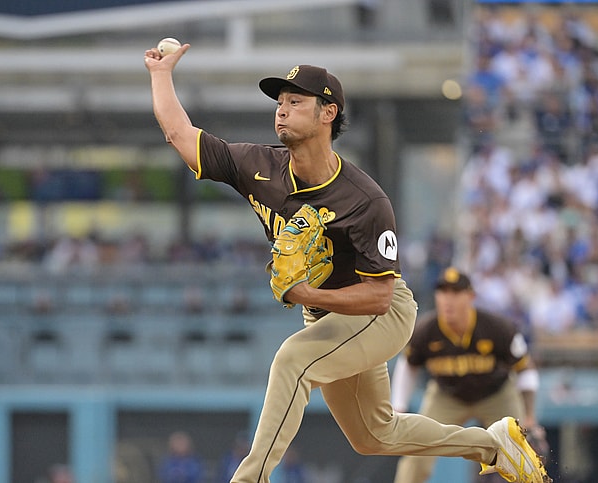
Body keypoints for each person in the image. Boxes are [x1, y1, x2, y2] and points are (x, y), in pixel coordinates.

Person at [144, 42, 549, 483]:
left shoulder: (364, 199)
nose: (281, 110)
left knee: (292, 361)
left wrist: (306, 293)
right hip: (327, 317)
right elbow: (181, 135)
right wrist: (160, 73)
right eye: (279, 103)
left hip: (382, 310)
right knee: (375, 435)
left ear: (327, 113)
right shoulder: (257, 165)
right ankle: (493, 446)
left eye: (295, 101)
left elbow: (377, 296)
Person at [390, 267, 547, 482]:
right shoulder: (427, 330)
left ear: (471, 296)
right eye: (443, 292)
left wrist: (529, 415)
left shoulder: (496, 327)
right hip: (446, 396)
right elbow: (408, 365)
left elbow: (525, 368)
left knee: (521, 454)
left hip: (496, 395)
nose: (448, 300)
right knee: (417, 451)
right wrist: (399, 405)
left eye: (455, 293)